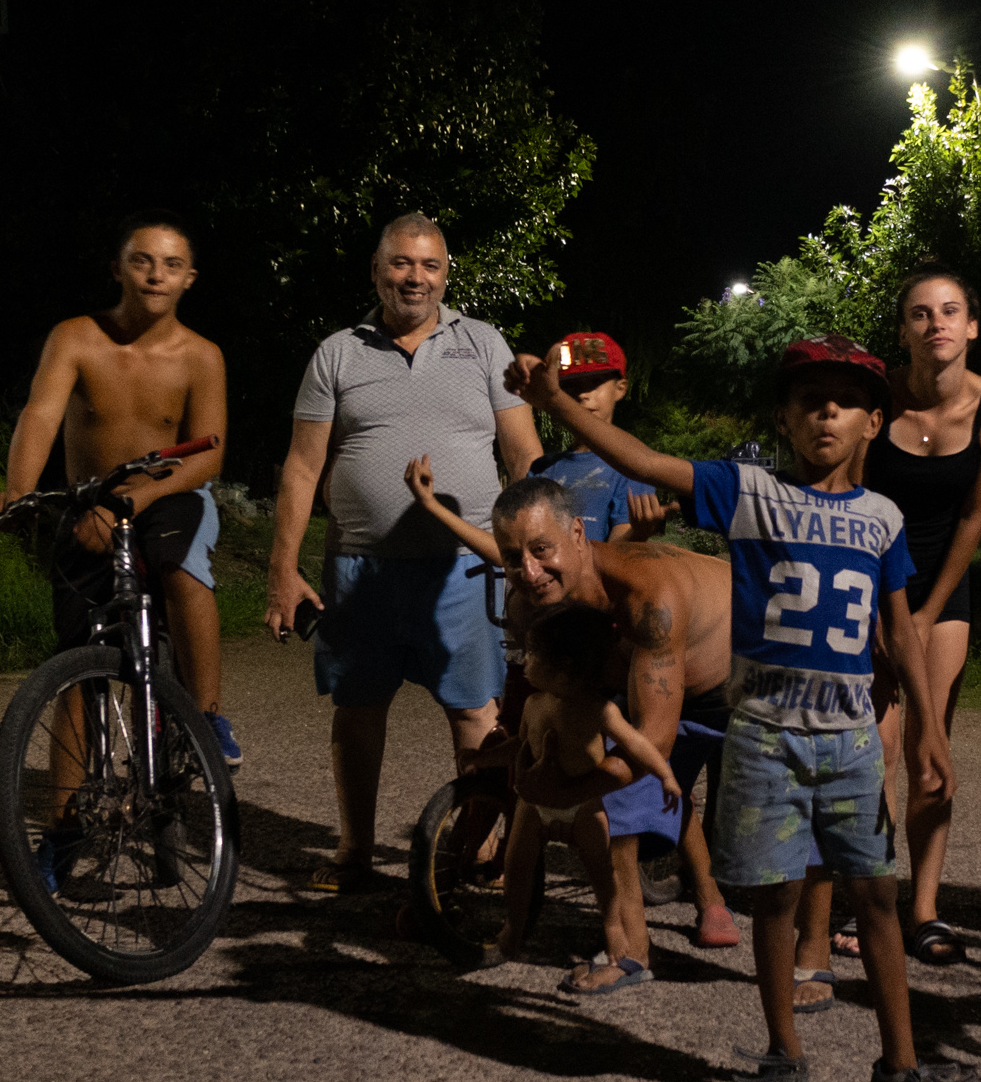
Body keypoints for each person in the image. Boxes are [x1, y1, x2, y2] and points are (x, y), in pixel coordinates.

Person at [515, 336, 978, 1082]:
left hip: (852, 740)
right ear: (785, 418)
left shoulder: (883, 520)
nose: (824, 411)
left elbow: (900, 632)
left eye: (843, 401)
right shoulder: (749, 493)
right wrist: (555, 405)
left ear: (875, 421)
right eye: (808, 399)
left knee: (876, 896)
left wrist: (929, 729)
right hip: (765, 736)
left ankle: (898, 1068)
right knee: (775, 897)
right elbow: (652, 462)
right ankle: (782, 1057)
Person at [267, 213, 544, 894]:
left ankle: (473, 850)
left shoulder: (483, 344)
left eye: (428, 266)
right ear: (376, 269)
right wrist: (282, 570)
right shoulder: (337, 353)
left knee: (476, 711)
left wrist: (532, 558)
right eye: (401, 263)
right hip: (359, 565)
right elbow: (302, 468)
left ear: (445, 275)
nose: (414, 277)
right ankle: (355, 852)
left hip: (465, 567)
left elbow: (523, 455)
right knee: (357, 709)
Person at [402, 458, 742, 982]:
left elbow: (649, 743)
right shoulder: (531, 598)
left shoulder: (647, 599)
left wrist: (561, 793)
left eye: (542, 551)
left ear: (578, 535)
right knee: (594, 778)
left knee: (633, 801)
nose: (529, 573)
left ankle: (650, 941)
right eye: (515, 560)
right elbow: (541, 708)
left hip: (729, 673)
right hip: (637, 671)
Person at [0, 216, 238, 779]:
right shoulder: (76, 336)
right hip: (90, 503)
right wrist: (19, 491)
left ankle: (207, 715)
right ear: (118, 269)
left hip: (170, 494)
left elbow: (208, 455)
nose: (156, 275)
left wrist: (133, 500)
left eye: (172, 265)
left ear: (189, 279)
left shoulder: (202, 355)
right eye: (142, 261)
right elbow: (41, 415)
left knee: (179, 566)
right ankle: (62, 832)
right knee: (79, 672)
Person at [857, 262, 981, 967]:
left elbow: (977, 518)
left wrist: (921, 619)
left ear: (972, 326)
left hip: (942, 587)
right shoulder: (877, 398)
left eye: (950, 311)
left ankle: (923, 909)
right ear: (904, 329)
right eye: (920, 314)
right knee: (871, 751)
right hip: (866, 579)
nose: (936, 325)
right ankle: (869, 896)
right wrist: (874, 613)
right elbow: (850, 500)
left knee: (927, 753)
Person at [493, 601, 688, 984]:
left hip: (584, 808)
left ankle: (614, 927)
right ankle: (513, 928)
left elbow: (638, 744)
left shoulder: (599, 710)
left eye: (533, 654)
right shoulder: (533, 703)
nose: (524, 661)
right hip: (533, 805)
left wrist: (666, 775)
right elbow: (517, 746)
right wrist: (480, 759)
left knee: (603, 876)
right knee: (516, 868)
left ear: (565, 669)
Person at [528, 331, 668, 544]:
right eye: (570, 386)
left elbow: (618, 555)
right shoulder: (540, 468)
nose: (583, 394)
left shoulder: (633, 467)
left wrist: (638, 533)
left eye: (594, 382)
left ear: (620, 389)